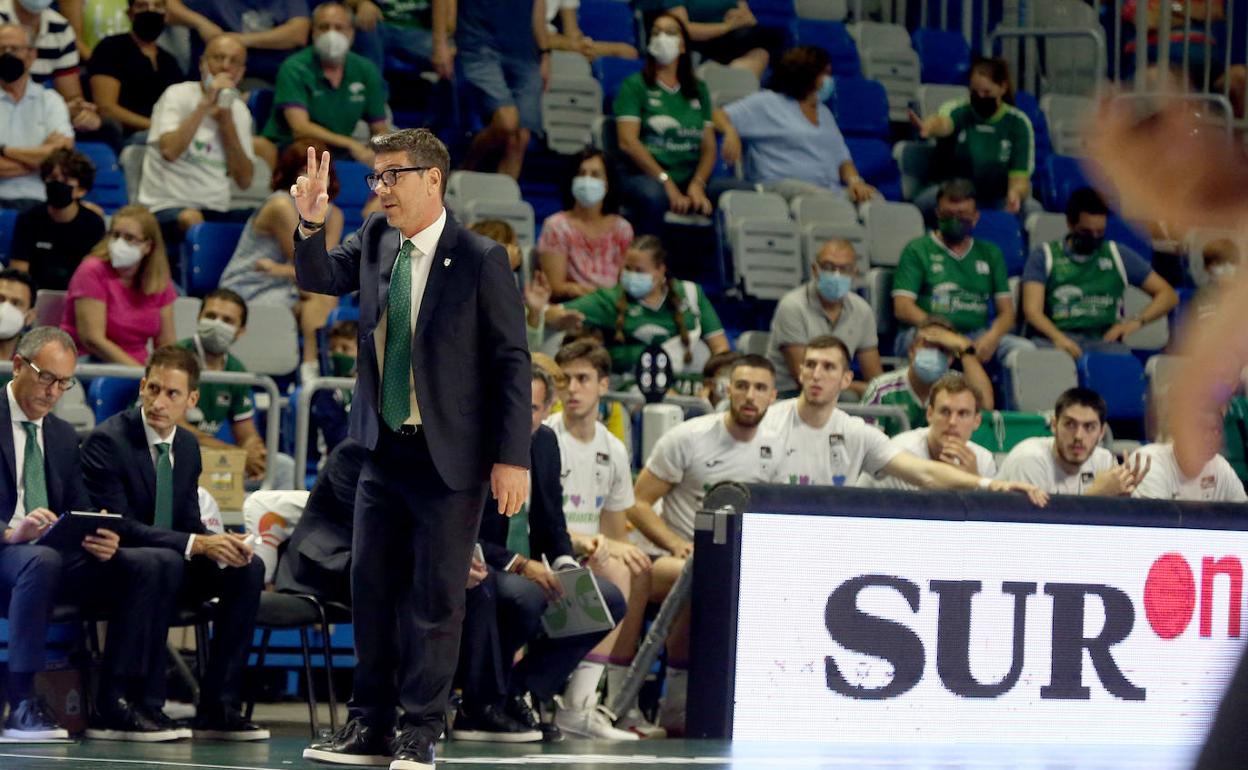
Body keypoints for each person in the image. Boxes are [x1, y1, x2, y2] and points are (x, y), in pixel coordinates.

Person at [291, 129, 531, 770]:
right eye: (376, 177)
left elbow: (512, 362)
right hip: (382, 449)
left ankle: (420, 731)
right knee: (369, 587)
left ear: (433, 179)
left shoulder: (481, 258)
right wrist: (311, 223)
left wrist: (513, 458)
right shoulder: (374, 238)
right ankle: (367, 724)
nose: (382, 189)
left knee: (435, 598)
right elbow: (319, 277)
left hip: (449, 459)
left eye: (393, 175)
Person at [0, 327, 184, 743]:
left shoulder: (63, 435)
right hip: (8, 551)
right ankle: (22, 702)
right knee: (40, 558)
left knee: (150, 562)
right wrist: (13, 532)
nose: (54, 392)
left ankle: (117, 701)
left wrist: (100, 532)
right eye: (47, 377)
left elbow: (79, 505)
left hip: (53, 554)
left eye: (64, 383)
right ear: (17, 365)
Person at [80, 345, 269, 740]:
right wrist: (196, 544)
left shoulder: (185, 446)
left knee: (247, 567)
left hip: (168, 560)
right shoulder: (107, 441)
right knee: (160, 561)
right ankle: (126, 702)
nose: (159, 402)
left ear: (192, 400)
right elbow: (122, 527)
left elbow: (187, 521)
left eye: (172, 394)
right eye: (153, 389)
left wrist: (219, 543)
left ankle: (219, 706)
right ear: (142, 386)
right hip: (118, 564)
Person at [456, 362, 627, 743]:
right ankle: (483, 702)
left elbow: (552, 521)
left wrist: (567, 566)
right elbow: (465, 530)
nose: (519, 416)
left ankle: (520, 690)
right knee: (526, 596)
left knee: (607, 599)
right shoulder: (472, 441)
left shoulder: (546, 443)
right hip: (481, 562)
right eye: (512, 404)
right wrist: (519, 564)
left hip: (529, 568)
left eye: (531, 409)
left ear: (547, 409)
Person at [629, 353, 781, 735]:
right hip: (670, 559)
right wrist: (677, 543)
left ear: (773, 396)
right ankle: (675, 710)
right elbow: (636, 503)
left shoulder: (779, 447)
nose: (750, 395)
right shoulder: (688, 438)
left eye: (760, 388)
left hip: (742, 565)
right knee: (700, 576)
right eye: (742, 386)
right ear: (727, 389)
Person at [764, 335, 1043, 502]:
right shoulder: (767, 422)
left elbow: (924, 473)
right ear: (800, 373)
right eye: (810, 365)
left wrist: (989, 484)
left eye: (828, 367)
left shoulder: (858, 433)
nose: (816, 374)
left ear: (847, 379)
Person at [545, 341, 656, 740]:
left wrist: (614, 547)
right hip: (545, 552)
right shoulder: (544, 437)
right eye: (565, 379)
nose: (572, 389)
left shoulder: (613, 448)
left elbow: (613, 531)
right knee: (609, 563)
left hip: (588, 555)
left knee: (626, 564)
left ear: (603, 385)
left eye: (583, 379)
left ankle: (581, 704)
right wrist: (584, 543)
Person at [613, 13, 748, 236]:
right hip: (646, 176)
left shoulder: (698, 90)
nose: (662, 37)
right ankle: (653, 265)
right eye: (656, 32)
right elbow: (628, 142)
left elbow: (708, 147)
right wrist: (666, 182)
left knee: (744, 193)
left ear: (683, 45)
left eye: (670, 32)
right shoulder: (634, 86)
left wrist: (698, 184)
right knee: (653, 197)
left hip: (689, 177)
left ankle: (720, 267)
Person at [219, 141, 343, 370]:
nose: (314, 178)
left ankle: (312, 368)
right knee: (319, 296)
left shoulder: (334, 215)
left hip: (291, 283)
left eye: (319, 171)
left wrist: (280, 270)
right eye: (305, 171)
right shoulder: (280, 205)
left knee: (321, 296)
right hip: (254, 284)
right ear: (291, 175)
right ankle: (314, 370)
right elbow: (309, 265)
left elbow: (325, 273)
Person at [1021, 186, 1178, 359]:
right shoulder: (1044, 255)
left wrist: (1135, 322)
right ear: (1070, 224)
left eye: (1100, 232)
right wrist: (1059, 339)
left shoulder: (1117, 254)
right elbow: (1032, 311)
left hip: (1105, 342)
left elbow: (1168, 295)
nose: (1094, 237)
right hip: (1055, 340)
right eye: (1086, 232)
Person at [539, 235, 730, 376]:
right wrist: (557, 319)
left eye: (639, 270)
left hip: (687, 382)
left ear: (660, 271)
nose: (631, 275)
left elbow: (720, 349)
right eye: (628, 268)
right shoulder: (609, 299)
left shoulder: (690, 293)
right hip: (630, 387)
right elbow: (548, 314)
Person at [138, 34, 255, 259]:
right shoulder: (177, 95)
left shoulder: (239, 111)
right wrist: (205, 104)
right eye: (218, 58)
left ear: (241, 72)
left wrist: (226, 122)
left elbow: (244, 180)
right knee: (192, 219)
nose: (225, 67)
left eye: (233, 62)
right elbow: (170, 151)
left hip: (215, 209)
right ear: (202, 63)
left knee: (266, 217)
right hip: (167, 207)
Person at [892, 178, 1033, 363]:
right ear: (938, 213)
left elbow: (1007, 314)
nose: (955, 220)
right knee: (931, 349)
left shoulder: (990, 253)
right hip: (928, 330)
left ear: (975, 217)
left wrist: (992, 337)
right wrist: (946, 334)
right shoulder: (917, 249)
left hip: (977, 334)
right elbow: (902, 308)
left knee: (1025, 350)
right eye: (948, 214)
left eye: (962, 215)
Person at [719, 45, 877, 202]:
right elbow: (716, 114)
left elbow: (842, 159)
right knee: (825, 201)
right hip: (779, 188)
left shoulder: (825, 113)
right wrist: (730, 131)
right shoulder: (766, 102)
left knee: (874, 201)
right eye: (825, 74)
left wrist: (856, 182)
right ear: (808, 75)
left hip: (828, 190)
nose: (830, 80)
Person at [175, 288, 296, 489]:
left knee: (283, 467)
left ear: (240, 331)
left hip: (212, 457)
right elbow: (174, 427)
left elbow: (247, 433)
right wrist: (236, 455)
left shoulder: (236, 369)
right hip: (172, 455)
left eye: (227, 321)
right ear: (198, 318)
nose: (217, 325)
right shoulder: (177, 358)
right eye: (211, 316)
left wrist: (254, 452)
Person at [257, 2, 389, 168]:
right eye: (324, 27)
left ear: (351, 32)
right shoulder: (295, 67)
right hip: (295, 153)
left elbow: (379, 128)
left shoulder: (365, 69)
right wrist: (351, 144)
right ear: (313, 32)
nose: (331, 34)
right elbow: (300, 128)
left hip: (338, 153)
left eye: (339, 28)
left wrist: (379, 153)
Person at [910, 57, 1039, 221]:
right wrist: (928, 127)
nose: (980, 97)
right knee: (924, 203)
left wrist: (1015, 194)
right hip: (952, 193)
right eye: (974, 92)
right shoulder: (958, 110)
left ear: (1002, 88)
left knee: (1032, 209)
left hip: (996, 199)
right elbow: (943, 123)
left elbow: (1020, 178)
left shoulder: (1018, 123)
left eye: (986, 92)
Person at [439, 0, 547, 180]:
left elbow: (538, 7)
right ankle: (462, 172)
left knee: (521, 137)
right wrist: (442, 42)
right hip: (478, 46)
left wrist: (544, 52)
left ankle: (505, 203)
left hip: (524, 52)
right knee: (507, 122)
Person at [61, 204, 176, 366]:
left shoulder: (159, 279)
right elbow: (92, 339)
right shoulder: (91, 270)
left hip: (139, 367)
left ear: (148, 246)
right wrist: (140, 374)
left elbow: (166, 343)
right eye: (115, 236)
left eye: (129, 238)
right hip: (88, 362)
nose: (119, 244)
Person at [765, 238, 882, 396]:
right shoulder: (793, 306)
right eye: (828, 267)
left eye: (844, 269)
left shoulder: (862, 310)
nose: (836, 274)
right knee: (848, 397)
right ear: (815, 269)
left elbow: (875, 378)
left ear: (854, 273)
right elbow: (805, 377)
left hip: (838, 388)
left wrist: (876, 391)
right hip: (789, 393)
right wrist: (859, 388)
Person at [995, 387, 1151, 496]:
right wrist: (1097, 495)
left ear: (1102, 432)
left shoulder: (1102, 460)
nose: (1078, 436)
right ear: (1054, 425)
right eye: (1070, 424)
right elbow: (1037, 532)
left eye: (1089, 427)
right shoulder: (1029, 460)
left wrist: (1121, 501)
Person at [861, 316, 994, 436]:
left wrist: (963, 348)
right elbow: (868, 446)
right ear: (911, 351)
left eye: (942, 350)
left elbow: (986, 403)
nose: (935, 354)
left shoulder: (957, 387)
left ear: (951, 359)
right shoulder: (882, 389)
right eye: (928, 346)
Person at [860, 372, 996, 489]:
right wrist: (966, 481)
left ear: (976, 421)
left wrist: (974, 482)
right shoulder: (902, 451)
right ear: (930, 414)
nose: (952, 422)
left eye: (963, 414)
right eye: (945, 412)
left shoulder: (983, 461)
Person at [0, 0, 106, 142]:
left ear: (33, 54)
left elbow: (71, 96)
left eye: (15, 49)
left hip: (42, 111)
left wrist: (79, 111)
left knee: (107, 128)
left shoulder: (61, 27)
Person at [537, 148, 634, 300]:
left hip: (613, 308)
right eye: (581, 174)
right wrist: (598, 297)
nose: (587, 180)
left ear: (607, 184)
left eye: (595, 174)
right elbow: (555, 286)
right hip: (573, 305)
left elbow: (626, 281)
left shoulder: (622, 228)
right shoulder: (556, 226)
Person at [0, 23, 74, 211]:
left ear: (32, 55)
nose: (7, 54)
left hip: (41, 201)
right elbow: (51, 160)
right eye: (1, 49)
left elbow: (61, 156)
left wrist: (5, 150)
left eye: (15, 49)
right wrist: (41, 159)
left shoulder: (51, 101)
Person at [86, 0, 184, 139]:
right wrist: (155, 126)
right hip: (127, 136)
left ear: (166, 15)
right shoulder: (111, 48)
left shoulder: (169, 61)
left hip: (165, 134)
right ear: (130, 14)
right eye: (142, 6)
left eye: (158, 6)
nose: (151, 12)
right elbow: (106, 108)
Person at [10, 148, 104, 290]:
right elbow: (19, 273)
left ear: (81, 190)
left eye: (66, 180)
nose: (57, 183)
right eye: (52, 178)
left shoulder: (93, 224)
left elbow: (93, 275)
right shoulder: (28, 219)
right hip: (35, 295)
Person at [166, 0, 310, 84]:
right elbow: (166, 7)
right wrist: (200, 23)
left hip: (272, 79)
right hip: (214, 80)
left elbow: (298, 33)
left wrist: (239, 40)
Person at [664, 0, 784, 79]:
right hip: (704, 41)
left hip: (738, 37)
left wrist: (739, 16)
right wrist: (726, 27)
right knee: (767, 41)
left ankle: (734, 94)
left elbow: (750, 19)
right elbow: (684, 29)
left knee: (762, 52)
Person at [349, 0, 439, 77]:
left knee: (450, 52)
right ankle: (374, 93)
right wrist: (361, 2)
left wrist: (442, 42)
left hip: (417, 31)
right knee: (366, 30)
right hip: (379, 27)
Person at [544, 0, 637, 60]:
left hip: (559, 43)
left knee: (626, 52)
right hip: (536, 45)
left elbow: (572, 31)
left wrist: (585, 47)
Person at [0, 269, 36, 364]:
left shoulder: (36, 359)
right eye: (0, 299)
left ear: (29, 317)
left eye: (16, 303)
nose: (5, 309)